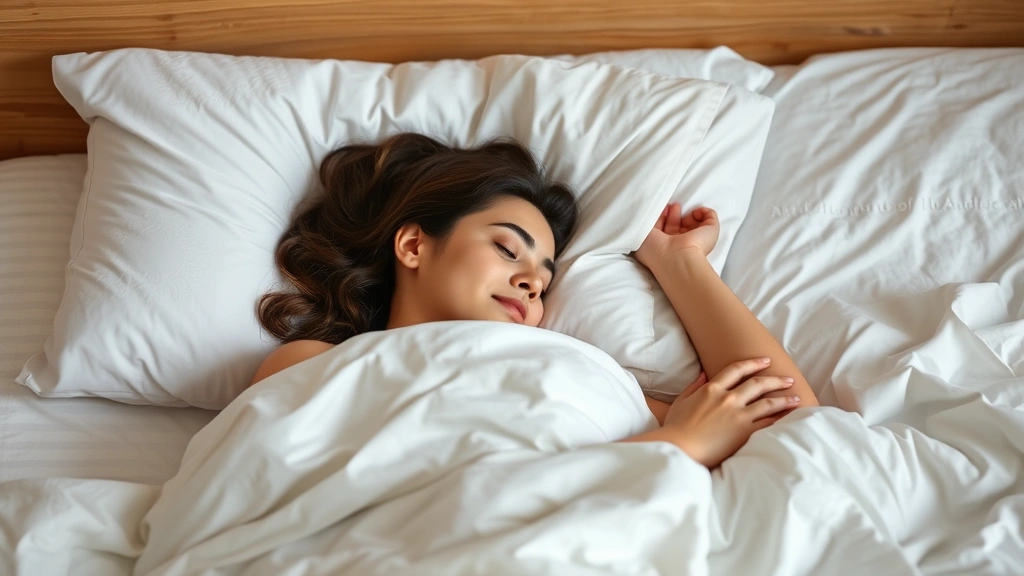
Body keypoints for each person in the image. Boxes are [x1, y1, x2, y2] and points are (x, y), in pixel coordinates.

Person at [250, 132, 820, 470]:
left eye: (544, 282)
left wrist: (680, 265)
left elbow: (795, 424)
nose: (530, 283)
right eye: (506, 249)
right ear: (414, 244)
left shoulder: (569, 370)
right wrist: (675, 448)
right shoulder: (309, 363)